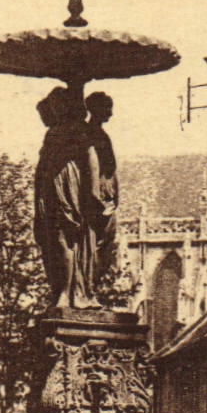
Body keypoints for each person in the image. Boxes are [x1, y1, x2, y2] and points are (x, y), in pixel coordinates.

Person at [33, 85, 99, 309]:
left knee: (65, 238)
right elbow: (42, 166)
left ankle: (68, 292)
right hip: (51, 187)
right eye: (53, 106)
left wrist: (93, 193)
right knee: (53, 240)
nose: (56, 109)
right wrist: (37, 202)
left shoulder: (76, 129)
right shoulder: (52, 132)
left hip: (68, 186)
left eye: (58, 105)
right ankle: (63, 290)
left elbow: (91, 157)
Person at [84, 91, 119, 285]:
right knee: (97, 244)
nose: (111, 114)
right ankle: (88, 285)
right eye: (108, 109)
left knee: (105, 244)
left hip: (107, 198)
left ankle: (91, 285)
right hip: (99, 200)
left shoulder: (99, 134)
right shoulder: (90, 134)